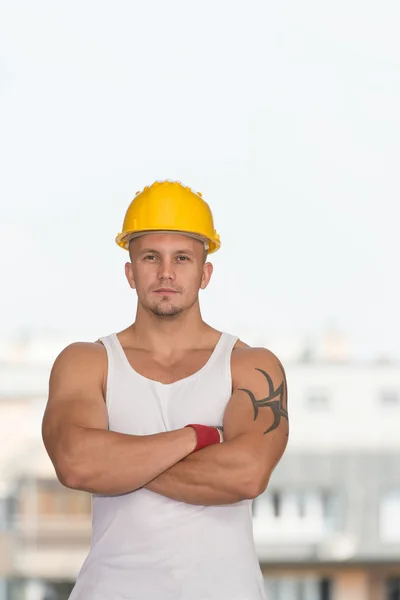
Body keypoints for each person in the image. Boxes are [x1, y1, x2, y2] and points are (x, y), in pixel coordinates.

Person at [42, 180, 289, 600]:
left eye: (183, 258)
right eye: (151, 257)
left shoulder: (250, 365)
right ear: (130, 271)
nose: (166, 273)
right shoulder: (86, 362)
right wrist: (198, 437)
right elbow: (77, 465)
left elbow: (247, 475)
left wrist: (118, 463)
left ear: (205, 272)